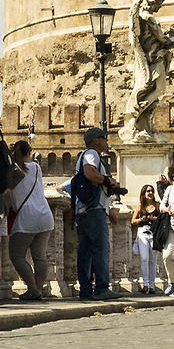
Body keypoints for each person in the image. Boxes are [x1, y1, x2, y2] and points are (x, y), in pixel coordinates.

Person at [3, 138, 55, 300]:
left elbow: (7, 193)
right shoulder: (37, 168)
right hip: (45, 216)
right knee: (39, 256)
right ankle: (38, 289)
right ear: (29, 152)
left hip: (26, 217)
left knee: (17, 256)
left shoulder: (11, 171)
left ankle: (32, 288)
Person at [70, 124, 115, 300]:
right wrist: (107, 180)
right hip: (93, 211)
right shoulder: (91, 154)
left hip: (83, 211)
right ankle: (102, 288)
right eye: (104, 138)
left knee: (86, 251)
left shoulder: (84, 155)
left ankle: (86, 290)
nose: (107, 141)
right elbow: (89, 173)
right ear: (96, 141)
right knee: (100, 249)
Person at [130, 185, 166, 294]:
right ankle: (145, 284)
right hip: (143, 234)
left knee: (153, 261)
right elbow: (133, 221)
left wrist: (155, 218)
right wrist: (142, 219)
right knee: (144, 258)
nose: (150, 193)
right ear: (144, 193)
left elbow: (163, 218)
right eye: (147, 191)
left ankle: (151, 285)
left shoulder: (157, 205)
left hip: (154, 234)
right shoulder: (140, 206)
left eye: (151, 191)